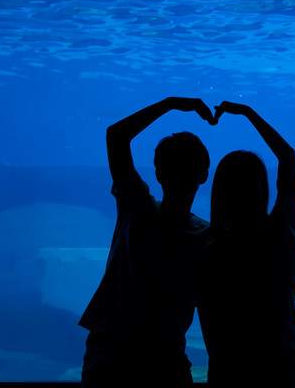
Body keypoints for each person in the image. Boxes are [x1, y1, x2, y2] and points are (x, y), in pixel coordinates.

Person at [79, 97, 214, 387]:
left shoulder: (136, 207)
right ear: (204, 175)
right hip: (157, 359)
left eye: (183, 166)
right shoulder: (208, 236)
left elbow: (117, 136)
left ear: (157, 172)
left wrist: (172, 103)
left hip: (117, 354)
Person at [197, 101, 295, 387]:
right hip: (274, 367)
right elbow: (287, 156)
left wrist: (249, 113)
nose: (243, 193)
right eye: (239, 185)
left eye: (247, 185)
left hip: (241, 368)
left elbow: (287, 157)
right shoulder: (276, 233)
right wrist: (247, 113)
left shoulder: (210, 246)